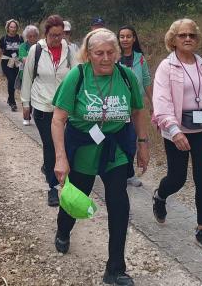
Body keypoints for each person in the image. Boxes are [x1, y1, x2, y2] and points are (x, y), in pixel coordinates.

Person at [52, 28, 149, 286]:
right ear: (89, 54)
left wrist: (142, 143)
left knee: (119, 203)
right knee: (76, 199)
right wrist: (60, 157)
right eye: (99, 53)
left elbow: (138, 111)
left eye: (110, 52)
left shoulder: (126, 76)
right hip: (83, 147)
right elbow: (58, 118)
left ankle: (115, 268)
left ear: (117, 53)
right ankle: (63, 229)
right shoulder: (78, 76)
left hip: (115, 148)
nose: (105, 58)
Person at [151, 18, 202, 256]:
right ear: (173, 39)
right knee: (177, 179)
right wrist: (173, 130)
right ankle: (160, 196)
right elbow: (161, 102)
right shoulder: (166, 67)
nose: (188, 39)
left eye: (191, 35)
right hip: (177, 131)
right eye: (182, 35)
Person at [22, 14, 77, 207]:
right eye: (53, 35)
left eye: (60, 35)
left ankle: (58, 172)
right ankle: (52, 188)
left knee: (65, 144)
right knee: (50, 145)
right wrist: (25, 103)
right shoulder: (36, 50)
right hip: (42, 104)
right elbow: (28, 78)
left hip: (64, 106)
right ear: (46, 34)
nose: (57, 39)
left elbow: (77, 76)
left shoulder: (69, 51)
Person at [117, 25, 152, 188]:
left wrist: (153, 103)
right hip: (118, 105)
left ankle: (129, 174)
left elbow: (146, 80)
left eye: (128, 36)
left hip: (136, 107)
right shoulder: (113, 57)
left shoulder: (140, 58)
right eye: (122, 36)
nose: (125, 39)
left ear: (134, 38)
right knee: (121, 140)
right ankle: (118, 173)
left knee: (132, 140)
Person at [0, 19, 24, 111]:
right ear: (8, 28)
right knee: (11, 80)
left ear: (17, 28)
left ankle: (10, 98)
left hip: (17, 62)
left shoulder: (20, 38)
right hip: (6, 62)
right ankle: (12, 102)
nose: (13, 29)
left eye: (14, 27)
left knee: (16, 80)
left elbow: (23, 51)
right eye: (11, 27)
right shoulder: (3, 39)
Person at [17, 24, 40, 125]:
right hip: (24, 74)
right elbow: (24, 59)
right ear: (26, 37)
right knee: (26, 95)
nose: (32, 38)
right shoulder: (23, 46)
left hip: (38, 76)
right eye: (30, 36)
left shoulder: (41, 46)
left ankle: (35, 114)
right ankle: (26, 115)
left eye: (34, 36)